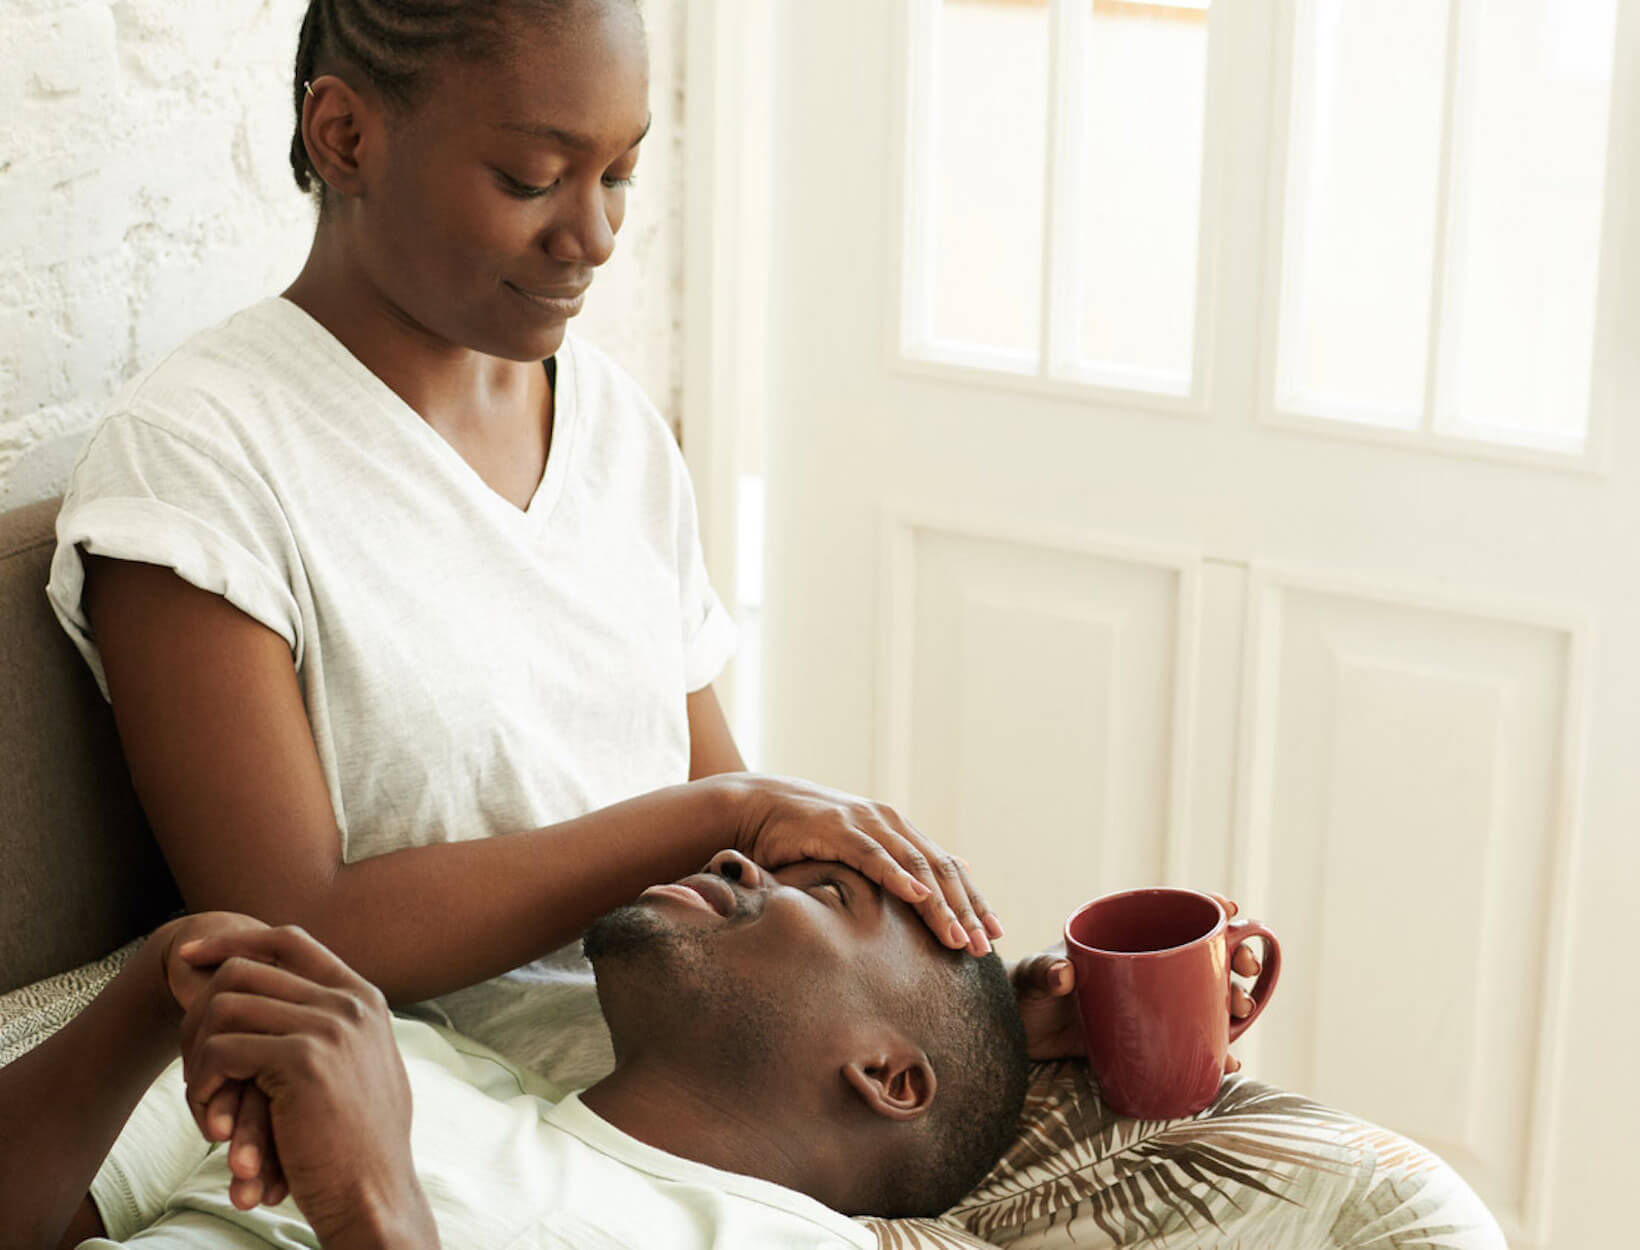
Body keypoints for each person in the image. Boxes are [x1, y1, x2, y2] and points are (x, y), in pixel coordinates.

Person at [46, 0, 1002, 1116]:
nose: (593, 235)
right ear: (343, 136)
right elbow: (291, 924)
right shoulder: (200, 460)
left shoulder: (614, 426)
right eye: (531, 178)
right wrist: (718, 812)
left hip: (716, 1095)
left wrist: (979, 1028)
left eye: (620, 175)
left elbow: (742, 847)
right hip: (452, 1129)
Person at [0, 851, 1030, 1249]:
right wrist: (151, 992)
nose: (733, 857)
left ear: (888, 1074)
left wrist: (373, 1205)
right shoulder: (376, 1051)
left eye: (823, 894)